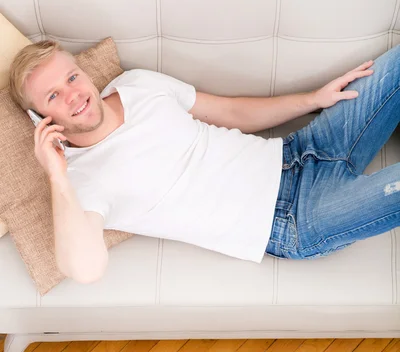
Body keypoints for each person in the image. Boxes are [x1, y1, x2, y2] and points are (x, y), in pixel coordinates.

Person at [9, 41, 400, 284]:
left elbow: (229, 111)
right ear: (39, 119)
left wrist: (313, 100)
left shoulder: (136, 84)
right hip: (295, 219)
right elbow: (85, 269)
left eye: (72, 77)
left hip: (303, 149)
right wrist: (56, 173)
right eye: (53, 97)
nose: (74, 95)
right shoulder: (80, 183)